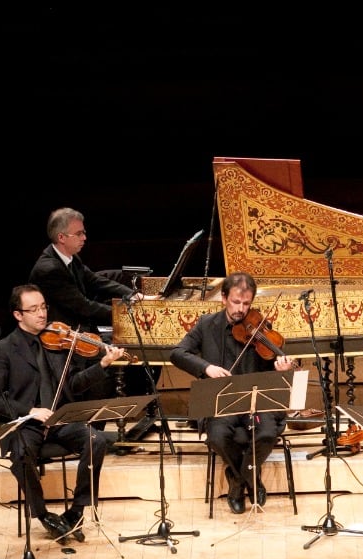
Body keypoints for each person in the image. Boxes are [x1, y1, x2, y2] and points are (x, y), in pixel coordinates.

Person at [0, 284, 128, 542]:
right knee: (22, 453)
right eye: (33, 309)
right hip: (24, 425)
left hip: (60, 421)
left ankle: (77, 510)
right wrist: (29, 410)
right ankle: (42, 514)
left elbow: (72, 385)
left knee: (96, 440)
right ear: (18, 315)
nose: (42, 314)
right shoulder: (3, 349)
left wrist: (103, 364)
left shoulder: (58, 343)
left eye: (43, 307)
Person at [169, 272, 297, 514]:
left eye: (246, 303)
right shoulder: (207, 325)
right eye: (236, 302)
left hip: (255, 403)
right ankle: (250, 478)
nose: (241, 310)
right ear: (224, 297)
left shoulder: (261, 328)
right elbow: (177, 353)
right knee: (217, 437)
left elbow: (272, 364)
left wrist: (283, 368)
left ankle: (237, 481)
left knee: (268, 432)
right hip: (222, 403)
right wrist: (206, 367)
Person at [29, 206, 149, 402]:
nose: (84, 237)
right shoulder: (49, 269)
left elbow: (95, 280)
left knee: (134, 344)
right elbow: (84, 306)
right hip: (61, 339)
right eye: (79, 233)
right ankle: (94, 420)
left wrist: (134, 295)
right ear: (62, 238)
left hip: (81, 331)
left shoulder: (69, 257)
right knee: (112, 360)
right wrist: (123, 316)